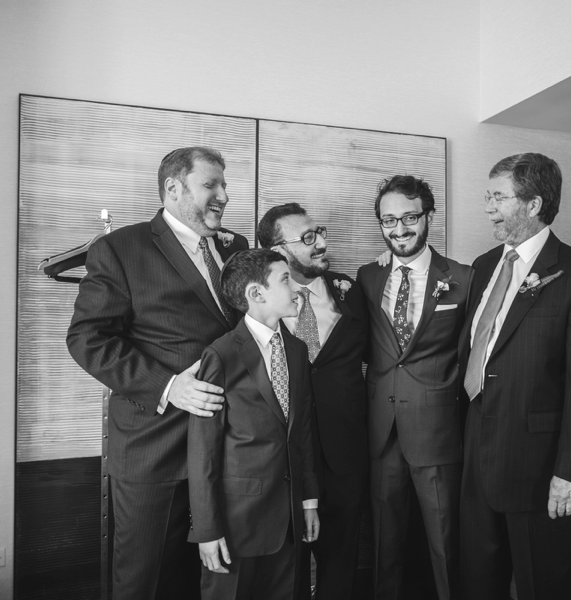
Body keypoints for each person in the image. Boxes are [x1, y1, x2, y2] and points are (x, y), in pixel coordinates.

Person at [67, 146, 248, 599]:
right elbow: (88, 338)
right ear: (173, 188)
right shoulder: (120, 248)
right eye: (211, 185)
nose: (224, 196)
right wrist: (168, 386)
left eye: (225, 185)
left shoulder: (237, 246)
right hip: (156, 446)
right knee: (144, 580)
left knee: (211, 579)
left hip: (229, 445)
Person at [458, 153, 571, 600]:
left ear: (533, 204)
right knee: (478, 580)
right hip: (476, 455)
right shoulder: (484, 265)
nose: (488, 207)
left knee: (543, 583)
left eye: (498, 197)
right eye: (488, 196)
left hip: (538, 466)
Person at [357, 175, 472, 600]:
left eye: (410, 217)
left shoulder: (463, 278)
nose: (400, 229)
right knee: (383, 541)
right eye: (389, 220)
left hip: (436, 430)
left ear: (429, 217)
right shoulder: (367, 276)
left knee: (446, 541)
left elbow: (471, 352)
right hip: (381, 427)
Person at [188, 249, 320, 600]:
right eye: (285, 279)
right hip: (236, 525)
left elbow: (302, 431)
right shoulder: (221, 355)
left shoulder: (297, 350)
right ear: (256, 293)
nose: (296, 288)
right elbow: (203, 450)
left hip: (289, 521)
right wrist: (206, 529)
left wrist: (308, 501)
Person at [257, 203, 369, 600]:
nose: (321, 243)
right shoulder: (260, 301)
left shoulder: (351, 290)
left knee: (341, 564)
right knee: (286, 567)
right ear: (277, 250)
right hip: (286, 458)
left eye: (319, 232)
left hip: (345, 453)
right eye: (307, 238)